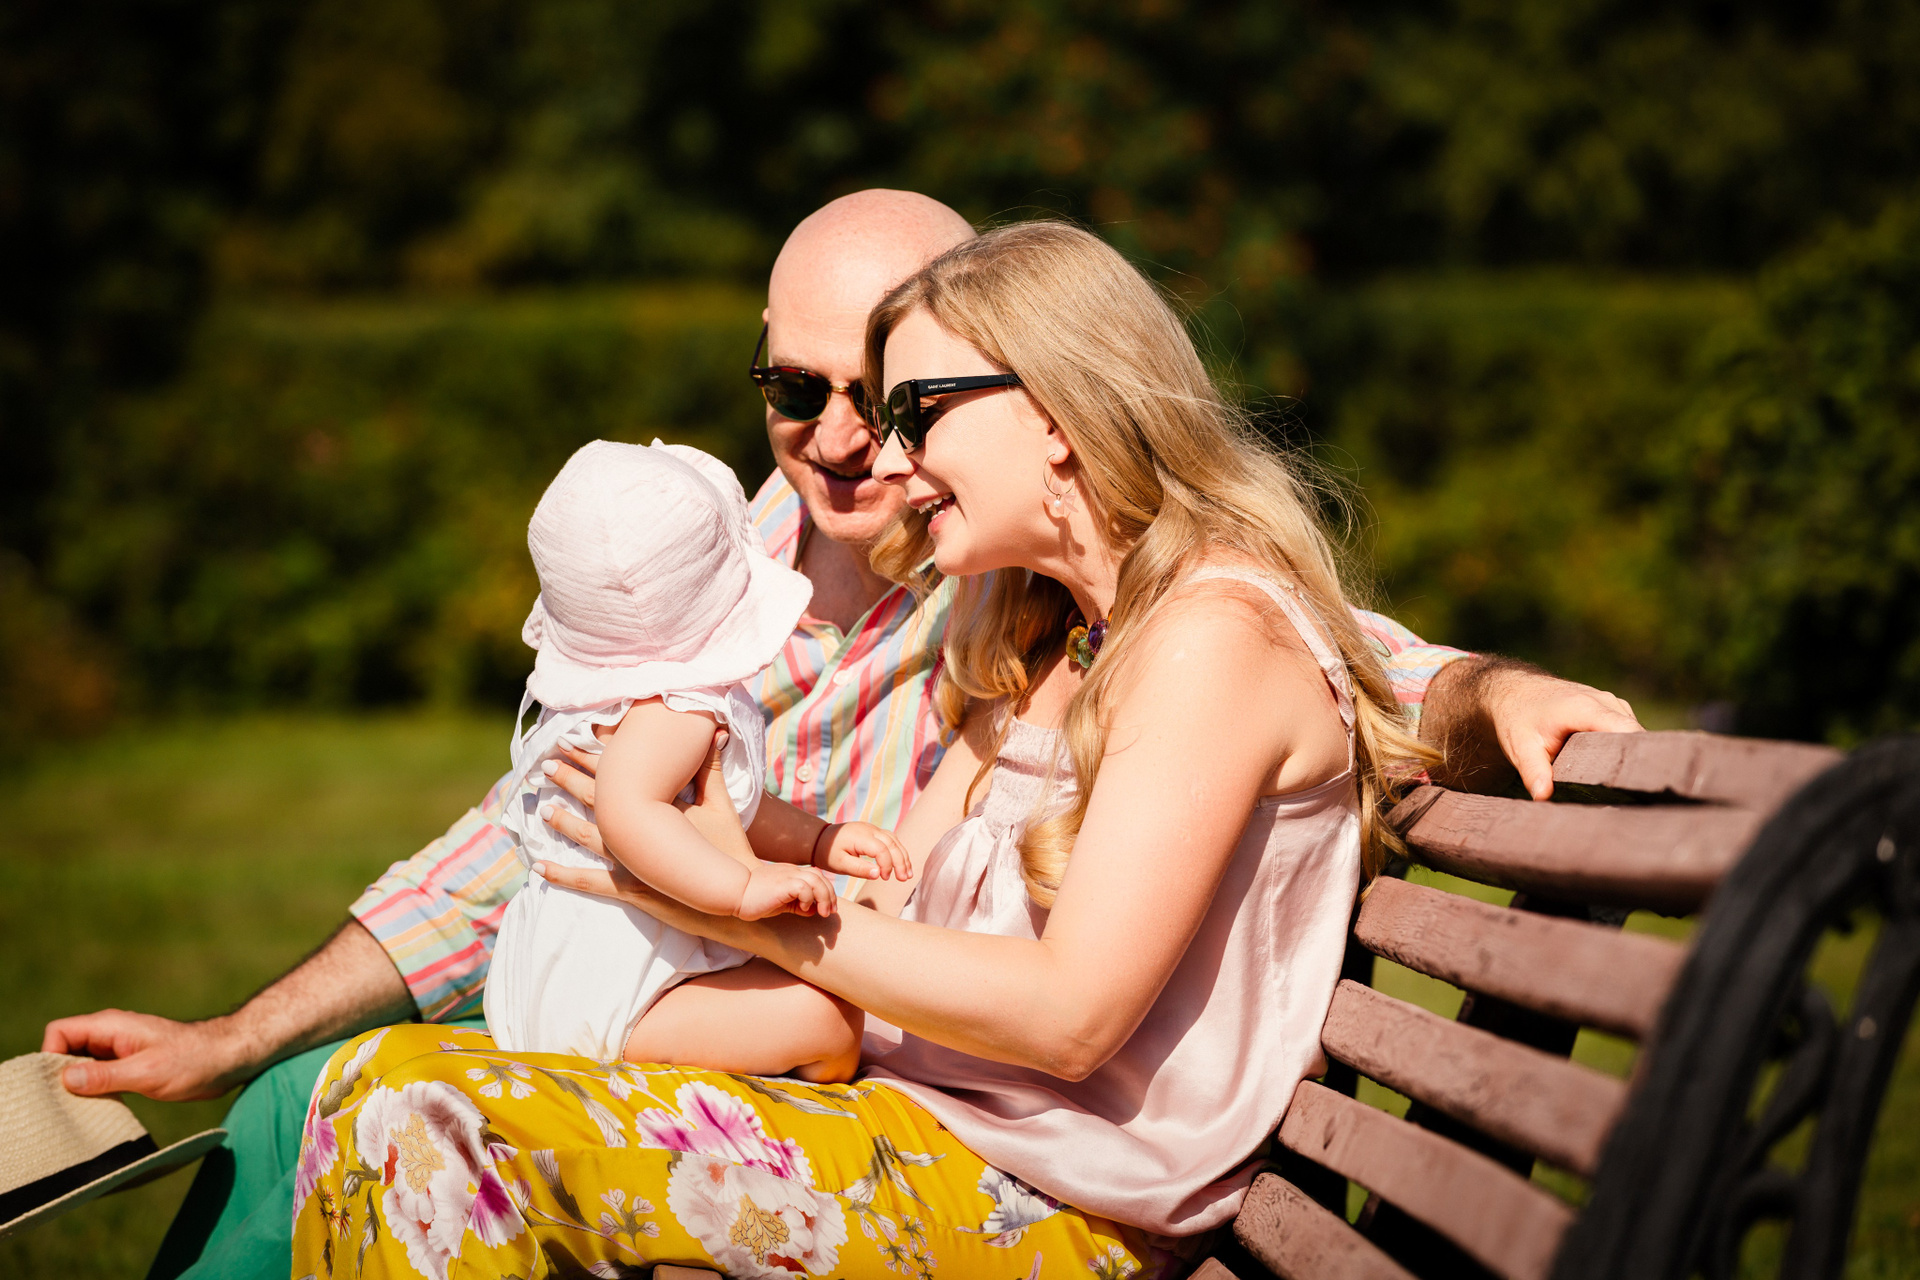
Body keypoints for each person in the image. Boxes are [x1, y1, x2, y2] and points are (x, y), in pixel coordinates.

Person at [41, 191, 1639, 1280]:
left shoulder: (1186, 631)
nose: (866, 445)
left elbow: (1325, 689)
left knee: (414, 1116)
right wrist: (242, 1031)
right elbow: (559, 841)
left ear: (1057, 409)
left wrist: (1483, 691)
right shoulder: (991, 616)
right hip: (925, 1126)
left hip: (1037, 1197)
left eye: (910, 406)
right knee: (355, 1096)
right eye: (801, 392)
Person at [485, 438, 910, 1081]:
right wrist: (742, 887)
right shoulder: (677, 708)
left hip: (567, 974)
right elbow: (627, 809)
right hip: (621, 994)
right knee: (830, 1021)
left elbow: (728, 805)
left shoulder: (605, 699)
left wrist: (819, 840)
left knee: (814, 1001)